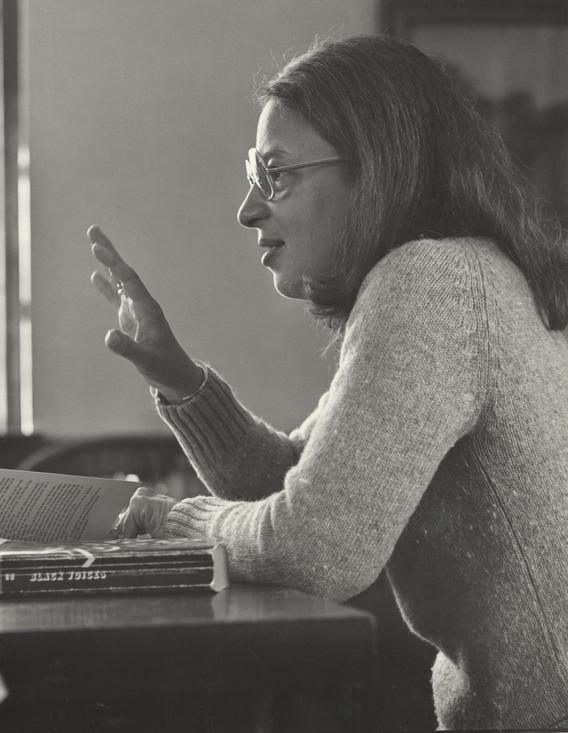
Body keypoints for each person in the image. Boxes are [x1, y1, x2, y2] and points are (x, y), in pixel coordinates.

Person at [87, 35, 568, 731]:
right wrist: (181, 379)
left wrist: (178, 522)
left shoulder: (431, 285)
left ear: (375, 172)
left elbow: (319, 547)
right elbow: (293, 480)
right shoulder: (470, 273)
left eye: (276, 174)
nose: (247, 209)